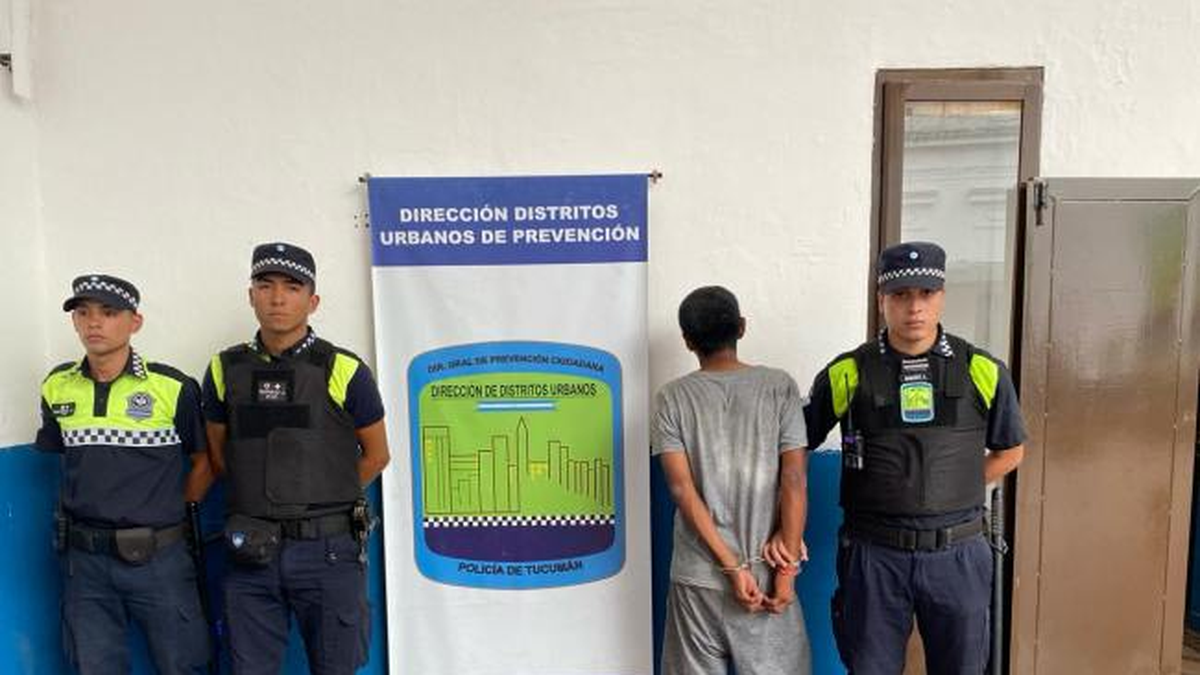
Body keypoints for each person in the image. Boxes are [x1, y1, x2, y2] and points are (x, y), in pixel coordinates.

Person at [797, 241, 1026, 675]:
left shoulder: (981, 369)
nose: (914, 307)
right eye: (901, 295)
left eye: (926, 293)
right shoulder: (849, 371)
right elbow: (796, 445)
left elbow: (1011, 450)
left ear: (942, 296)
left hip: (958, 554)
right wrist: (786, 524)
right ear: (881, 300)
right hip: (874, 556)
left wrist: (956, 485)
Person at [202, 242, 390, 675]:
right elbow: (220, 456)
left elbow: (377, 456)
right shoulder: (223, 369)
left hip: (328, 552)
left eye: (292, 286)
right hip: (250, 551)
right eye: (265, 285)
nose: (277, 298)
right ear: (251, 295)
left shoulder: (343, 369)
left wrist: (320, 497)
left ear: (313, 300)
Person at [36, 274, 213, 674]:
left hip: (159, 558)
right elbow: (63, 456)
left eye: (109, 312)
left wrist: (172, 513)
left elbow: (205, 461)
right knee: (93, 666)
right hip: (85, 561)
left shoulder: (171, 387)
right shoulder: (57, 386)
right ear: (74, 321)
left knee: (183, 665)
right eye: (83, 313)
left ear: (135, 322)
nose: (94, 322)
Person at [652, 285, 812, 675]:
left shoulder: (671, 397)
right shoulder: (779, 387)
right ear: (741, 327)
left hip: (698, 580)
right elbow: (794, 479)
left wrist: (730, 567)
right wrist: (787, 572)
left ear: (688, 341)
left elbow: (681, 490)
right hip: (767, 573)